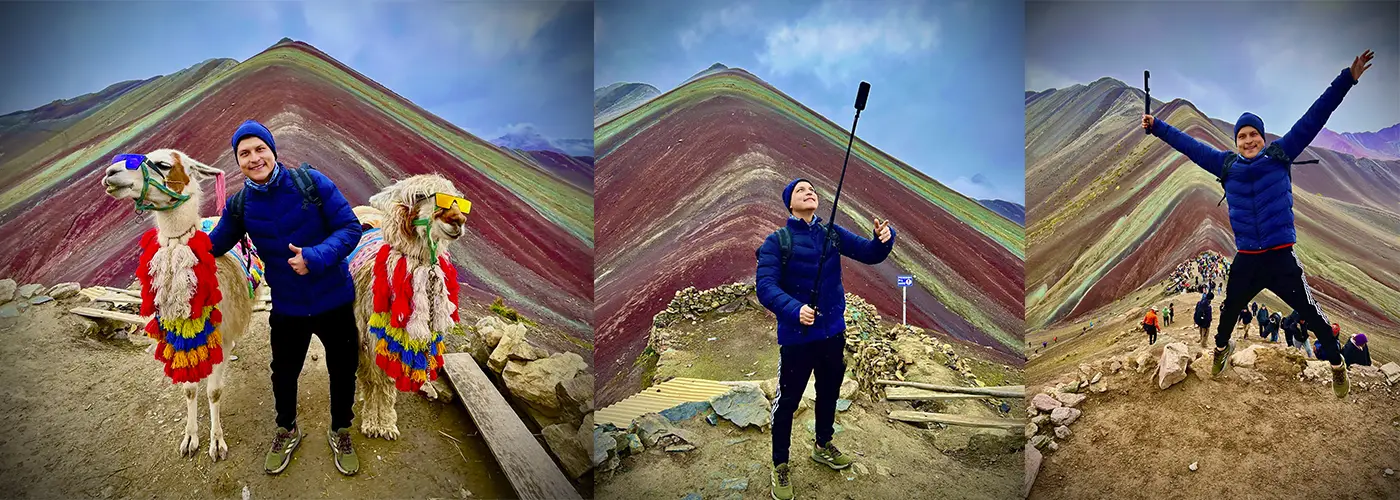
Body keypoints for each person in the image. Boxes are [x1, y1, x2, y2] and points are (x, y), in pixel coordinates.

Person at [1144, 49, 1373, 398]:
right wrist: (1157, 126)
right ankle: (1221, 350)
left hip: (1281, 258)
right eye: (1242, 136)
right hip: (1248, 258)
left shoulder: (1281, 155)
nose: (1249, 140)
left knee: (1312, 314)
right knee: (1228, 310)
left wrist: (1348, 78)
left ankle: (1337, 365)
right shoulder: (1226, 165)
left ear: (1263, 138)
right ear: (1235, 142)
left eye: (1254, 135)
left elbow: (1314, 117)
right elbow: (1189, 145)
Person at [209, 120, 364, 475]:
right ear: (238, 161)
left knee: (343, 369)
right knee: (283, 373)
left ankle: (341, 429)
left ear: (272, 151)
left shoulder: (311, 183)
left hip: (334, 298)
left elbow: (350, 228)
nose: (254, 158)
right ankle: (287, 428)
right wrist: (176, 247)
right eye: (244, 153)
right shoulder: (241, 205)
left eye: (259, 149)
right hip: (288, 306)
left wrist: (315, 256)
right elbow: (214, 244)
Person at [756, 178, 895, 500]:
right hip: (797, 338)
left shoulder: (831, 233)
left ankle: (823, 444)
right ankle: (780, 464)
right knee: (788, 402)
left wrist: (883, 240)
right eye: (801, 190)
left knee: (829, 392)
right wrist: (795, 309)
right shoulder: (777, 241)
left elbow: (869, 253)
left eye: (812, 189)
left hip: (832, 333)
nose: (810, 192)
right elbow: (765, 286)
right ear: (790, 203)